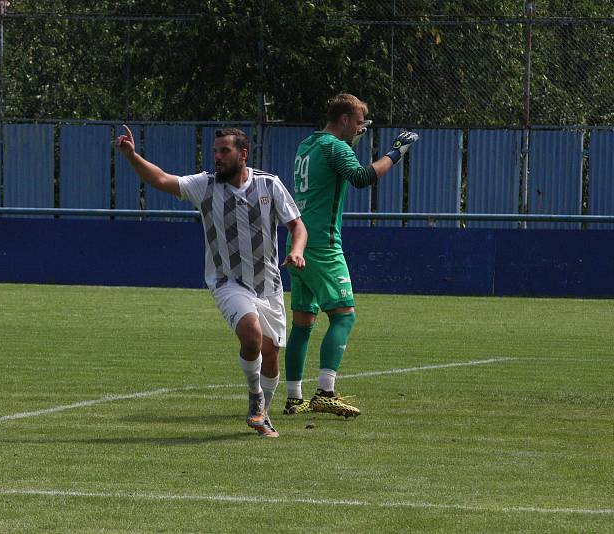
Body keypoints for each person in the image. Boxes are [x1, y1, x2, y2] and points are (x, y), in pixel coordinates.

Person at [116, 126, 307, 438]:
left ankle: (263, 414)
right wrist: (132, 157)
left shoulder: (269, 184)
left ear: (242, 154)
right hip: (227, 281)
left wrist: (297, 250)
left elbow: (297, 225)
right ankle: (255, 398)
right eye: (215, 151)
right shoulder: (204, 185)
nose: (216, 157)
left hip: (268, 285)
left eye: (224, 151)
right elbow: (162, 179)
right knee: (250, 332)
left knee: (271, 354)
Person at [283, 93, 418, 418]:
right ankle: (325, 392)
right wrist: (396, 152)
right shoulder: (335, 148)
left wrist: (351, 144)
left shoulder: (309, 145)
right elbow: (360, 178)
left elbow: (332, 170)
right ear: (344, 119)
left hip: (298, 242)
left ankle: (293, 398)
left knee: (303, 322)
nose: (361, 129)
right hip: (323, 245)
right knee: (344, 315)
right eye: (359, 123)